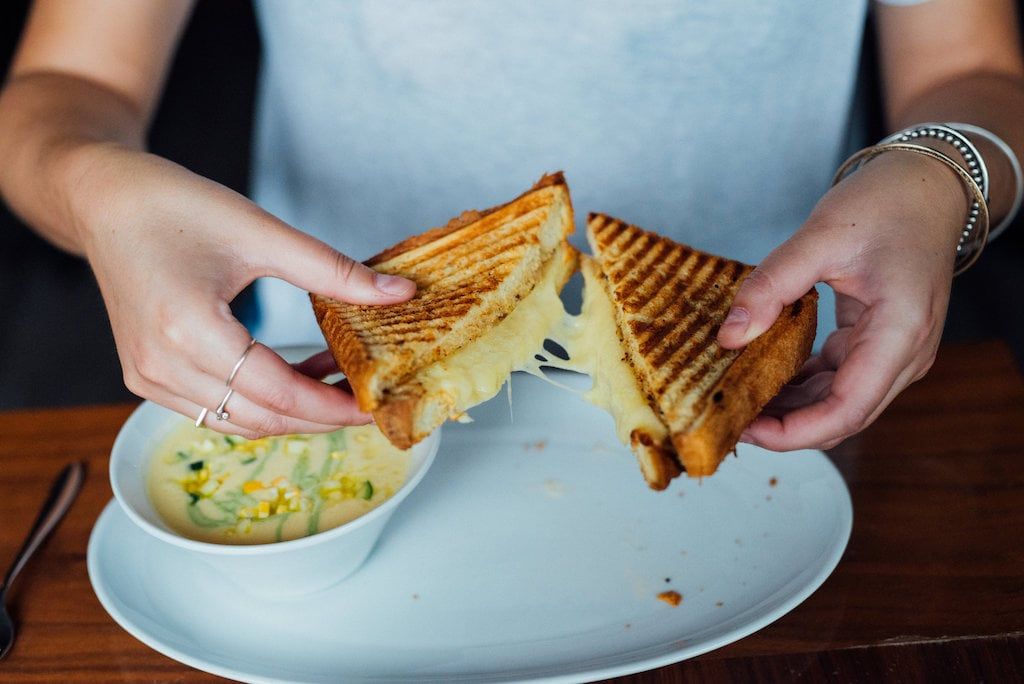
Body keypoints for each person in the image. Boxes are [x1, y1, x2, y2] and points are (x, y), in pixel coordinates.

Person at [0, 0, 1021, 451]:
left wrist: (941, 178)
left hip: (772, 380)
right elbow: (68, 82)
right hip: (318, 388)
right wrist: (95, 190)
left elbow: (967, 65)